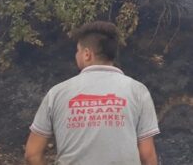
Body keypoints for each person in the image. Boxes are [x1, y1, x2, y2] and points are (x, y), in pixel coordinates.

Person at [24, 21, 160, 165]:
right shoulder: (137, 91)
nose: (76, 55)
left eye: (78, 50)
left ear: (87, 54)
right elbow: (147, 156)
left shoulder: (57, 93)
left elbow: (32, 154)